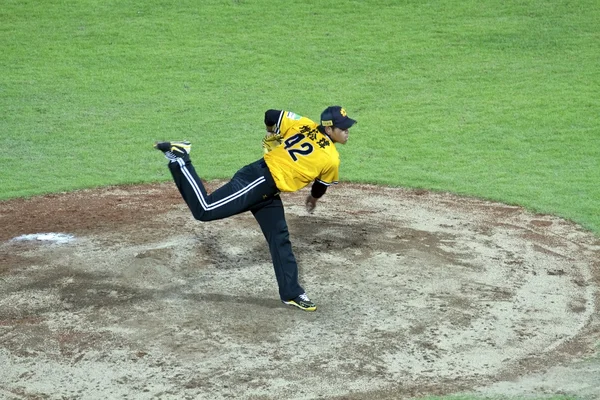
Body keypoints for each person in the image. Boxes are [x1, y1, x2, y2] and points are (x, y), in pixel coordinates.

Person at [154, 106, 356, 311]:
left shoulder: (304, 124)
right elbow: (320, 186)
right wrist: (313, 199)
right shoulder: (331, 158)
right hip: (258, 182)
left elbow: (271, 115)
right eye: (343, 128)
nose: (347, 131)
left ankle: (291, 293)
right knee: (205, 209)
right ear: (329, 130)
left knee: (279, 239)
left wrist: (271, 131)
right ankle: (180, 158)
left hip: (267, 188)